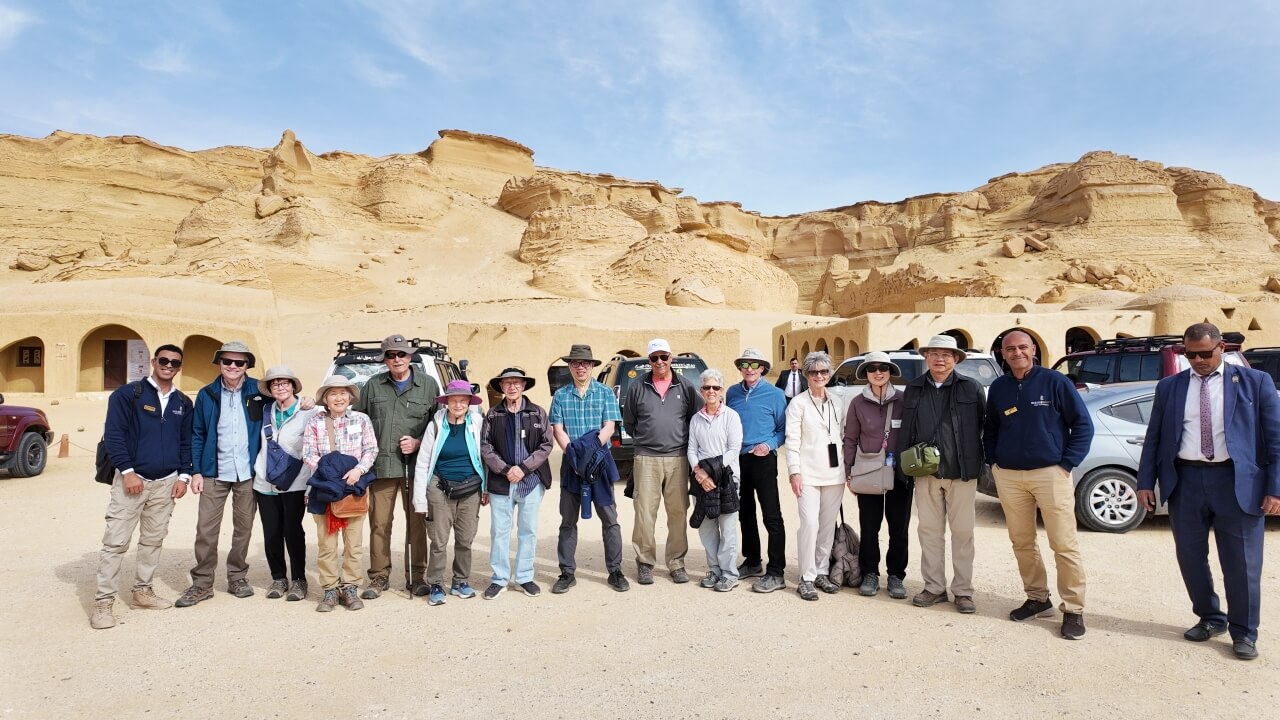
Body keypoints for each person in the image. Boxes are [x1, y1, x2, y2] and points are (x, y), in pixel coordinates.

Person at [1137, 322, 1280, 661]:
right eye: (1191, 354)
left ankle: (1244, 632)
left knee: (1242, 564)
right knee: (1190, 558)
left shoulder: (1255, 382)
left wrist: (1275, 489)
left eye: (1205, 353)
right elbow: (1154, 438)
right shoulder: (1170, 387)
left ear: (1222, 349)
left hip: (1237, 483)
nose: (1198, 360)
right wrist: (1145, 482)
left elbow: (1276, 441)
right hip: (1185, 481)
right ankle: (1210, 617)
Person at [984, 330, 1094, 640]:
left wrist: (1066, 464)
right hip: (1009, 475)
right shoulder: (999, 387)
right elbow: (991, 428)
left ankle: (1073, 608)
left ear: (1033, 349)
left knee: (1063, 543)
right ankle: (1037, 597)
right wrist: (993, 460)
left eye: (1022, 347)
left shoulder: (1055, 382)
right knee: (1022, 541)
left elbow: (1082, 425)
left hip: (1051, 474)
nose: (1017, 352)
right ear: (1002, 353)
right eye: (1010, 348)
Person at [91, 344, 193, 629]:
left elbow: (186, 443)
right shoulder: (128, 394)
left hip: (166, 483)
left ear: (179, 367)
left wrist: (184, 477)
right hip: (131, 481)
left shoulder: (183, 402)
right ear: (153, 361)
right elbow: (113, 435)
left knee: (152, 540)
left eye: (175, 362)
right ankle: (103, 602)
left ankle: (142, 591)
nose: (168, 366)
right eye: (164, 360)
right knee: (116, 541)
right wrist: (127, 471)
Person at [897, 335, 986, 614]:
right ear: (926, 357)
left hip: (962, 472)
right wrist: (903, 469)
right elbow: (905, 430)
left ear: (956, 358)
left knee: (963, 533)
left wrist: (980, 466)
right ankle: (934, 587)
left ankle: (963, 591)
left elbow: (983, 427)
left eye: (946, 354)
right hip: (926, 473)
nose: (940, 359)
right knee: (930, 533)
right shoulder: (913, 389)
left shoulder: (971, 388)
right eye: (934, 353)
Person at [177, 340, 268, 607]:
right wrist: (195, 471)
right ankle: (203, 583)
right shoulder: (206, 394)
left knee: (244, 529)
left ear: (246, 366)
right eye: (227, 361)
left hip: (248, 472)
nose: (232, 366)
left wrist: (306, 402)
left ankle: (237, 576)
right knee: (206, 530)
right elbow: (198, 433)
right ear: (219, 363)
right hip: (214, 471)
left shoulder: (259, 390)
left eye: (239, 362)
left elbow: (285, 404)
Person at [355, 334, 439, 600]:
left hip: (415, 467)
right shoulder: (372, 385)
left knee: (417, 523)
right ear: (385, 359)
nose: (397, 359)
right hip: (380, 468)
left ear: (410, 356)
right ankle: (379, 576)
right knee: (379, 524)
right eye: (391, 355)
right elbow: (359, 422)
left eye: (401, 354)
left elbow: (438, 425)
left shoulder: (428, 385)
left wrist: (418, 442)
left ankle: (417, 576)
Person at [548, 344, 629, 593]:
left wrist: (591, 451)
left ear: (592, 365)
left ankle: (615, 570)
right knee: (568, 521)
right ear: (570, 366)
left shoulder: (605, 393)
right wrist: (573, 454)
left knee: (610, 519)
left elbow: (609, 426)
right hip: (571, 465)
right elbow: (557, 429)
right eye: (575, 363)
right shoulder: (561, 396)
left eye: (584, 363)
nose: (580, 367)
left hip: (599, 465)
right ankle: (567, 572)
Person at [623, 338, 702, 585]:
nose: (659, 361)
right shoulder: (637, 387)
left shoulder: (686, 387)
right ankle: (645, 563)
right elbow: (629, 422)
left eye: (664, 357)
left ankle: (676, 563)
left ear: (672, 359)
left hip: (678, 458)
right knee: (645, 513)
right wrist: (646, 441)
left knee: (678, 512)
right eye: (654, 358)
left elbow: (696, 419)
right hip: (646, 458)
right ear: (649, 361)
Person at [303, 375, 378, 612]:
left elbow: (371, 449)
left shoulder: (362, 419)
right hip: (325, 488)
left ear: (350, 396)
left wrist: (358, 470)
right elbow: (308, 454)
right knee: (326, 544)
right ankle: (329, 589)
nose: (339, 397)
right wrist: (330, 475)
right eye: (333, 393)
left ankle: (351, 587)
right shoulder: (315, 422)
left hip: (354, 488)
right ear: (325, 398)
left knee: (353, 544)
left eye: (343, 393)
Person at [479, 367, 555, 600]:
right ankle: (499, 578)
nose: (512, 387)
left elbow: (546, 445)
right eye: (507, 383)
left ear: (523, 386)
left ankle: (524, 577)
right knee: (499, 532)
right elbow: (485, 447)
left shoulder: (537, 413)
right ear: (501, 387)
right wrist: (504, 469)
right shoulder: (493, 415)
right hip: (501, 483)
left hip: (531, 481)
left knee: (528, 530)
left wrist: (523, 468)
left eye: (516, 383)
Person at [841, 351, 910, 600]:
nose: (878, 372)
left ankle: (896, 575)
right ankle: (870, 572)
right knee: (869, 527)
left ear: (890, 371)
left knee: (898, 528)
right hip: (868, 472)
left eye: (883, 367)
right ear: (866, 374)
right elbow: (850, 439)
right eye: (872, 368)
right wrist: (848, 472)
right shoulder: (858, 403)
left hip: (899, 473)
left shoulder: (904, 399)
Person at [412, 380, 486, 605]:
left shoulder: (477, 422)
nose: (458, 404)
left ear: (469, 402)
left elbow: (485, 456)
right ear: (447, 402)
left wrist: (486, 488)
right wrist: (420, 500)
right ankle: (435, 583)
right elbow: (423, 460)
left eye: (463, 400)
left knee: (465, 539)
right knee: (439, 541)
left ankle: (460, 581)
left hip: (470, 488)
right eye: (454, 400)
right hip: (439, 487)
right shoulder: (436, 423)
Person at [252, 366, 319, 602]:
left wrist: (313, 400)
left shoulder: (309, 411)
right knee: (271, 532)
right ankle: (278, 577)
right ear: (269, 389)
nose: (279, 387)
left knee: (292, 530)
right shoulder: (265, 409)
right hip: (265, 481)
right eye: (274, 384)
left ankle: (299, 579)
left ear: (293, 385)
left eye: (284, 383)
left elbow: (317, 444)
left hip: (296, 482)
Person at [725, 347, 788, 593]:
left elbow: (783, 430)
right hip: (738, 459)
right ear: (740, 368)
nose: (749, 369)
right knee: (744, 513)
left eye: (754, 365)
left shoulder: (775, 394)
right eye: (745, 364)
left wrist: (769, 444)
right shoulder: (731, 393)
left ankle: (776, 572)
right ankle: (752, 562)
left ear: (762, 368)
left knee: (771, 515)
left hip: (763, 458)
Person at [785, 351, 846, 601]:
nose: (819, 376)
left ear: (829, 374)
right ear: (806, 375)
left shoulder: (838, 402)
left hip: (834, 474)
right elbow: (792, 440)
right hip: (808, 474)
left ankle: (821, 571)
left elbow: (842, 437)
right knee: (809, 524)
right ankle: (806, 577)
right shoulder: (798, 403)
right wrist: (794, 472)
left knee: (826, 526)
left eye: (823, 371)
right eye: (813, 372)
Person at [688, 369, 744, 592]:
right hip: (702, 481)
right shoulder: (696, 419)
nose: (711, 391)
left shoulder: (731, 416)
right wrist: (699, 472)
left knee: (728, 529)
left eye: (716, 387)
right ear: (701, 390)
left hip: (726, 479)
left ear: (721, 390)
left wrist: (712, 471)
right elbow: (692, 449)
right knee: (707, 528)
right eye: (707, 387)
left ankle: (730, 574)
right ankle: (715, 570)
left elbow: (734, 449)